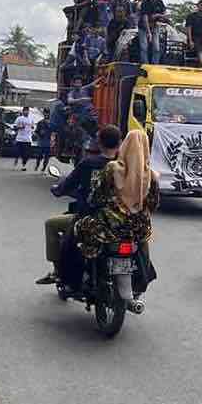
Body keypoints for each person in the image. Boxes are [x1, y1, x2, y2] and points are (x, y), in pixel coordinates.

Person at [68, 128, 159, 299]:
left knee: (79, 229)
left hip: (109, 227)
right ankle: (142, 278)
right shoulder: (152, 176)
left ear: (124, 146)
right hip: (138, 229)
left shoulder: (112, 168)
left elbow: (97, 196)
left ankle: (79, 276)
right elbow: (153, 204)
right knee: (144, 242)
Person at [37, 125, 121, 285]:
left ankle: (58, 271)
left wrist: (57, 189)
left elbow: (68, 184)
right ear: (120, 143)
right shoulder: (126, 165)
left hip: (90, 219)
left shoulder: (88, 163)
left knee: (51, 225)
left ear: (99, 142)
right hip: (119, 222)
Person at [138, 0, 167, 64]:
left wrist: (158, 15)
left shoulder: (160, 2)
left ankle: (155, 64)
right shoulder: (145, 3)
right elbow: (145, 18)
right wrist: (148, 32)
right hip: (144, 27)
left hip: (155, 26)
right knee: (144, 47)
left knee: (156, 48)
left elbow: (165, 14)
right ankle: (145, 64)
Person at [12, 106, 36, 170]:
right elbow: (14, 127)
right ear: (23, 111)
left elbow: (33, 127)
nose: (26, 112)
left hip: (28, 139)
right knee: (17, 153)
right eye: (25, 111)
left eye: (27, 111)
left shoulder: (31, 119)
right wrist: (20, 127)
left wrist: (32, 128)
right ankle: (16, 161)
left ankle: (24, 165)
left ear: (29, 111)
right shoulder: (19, 118)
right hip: (20, 139)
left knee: (26, 154)